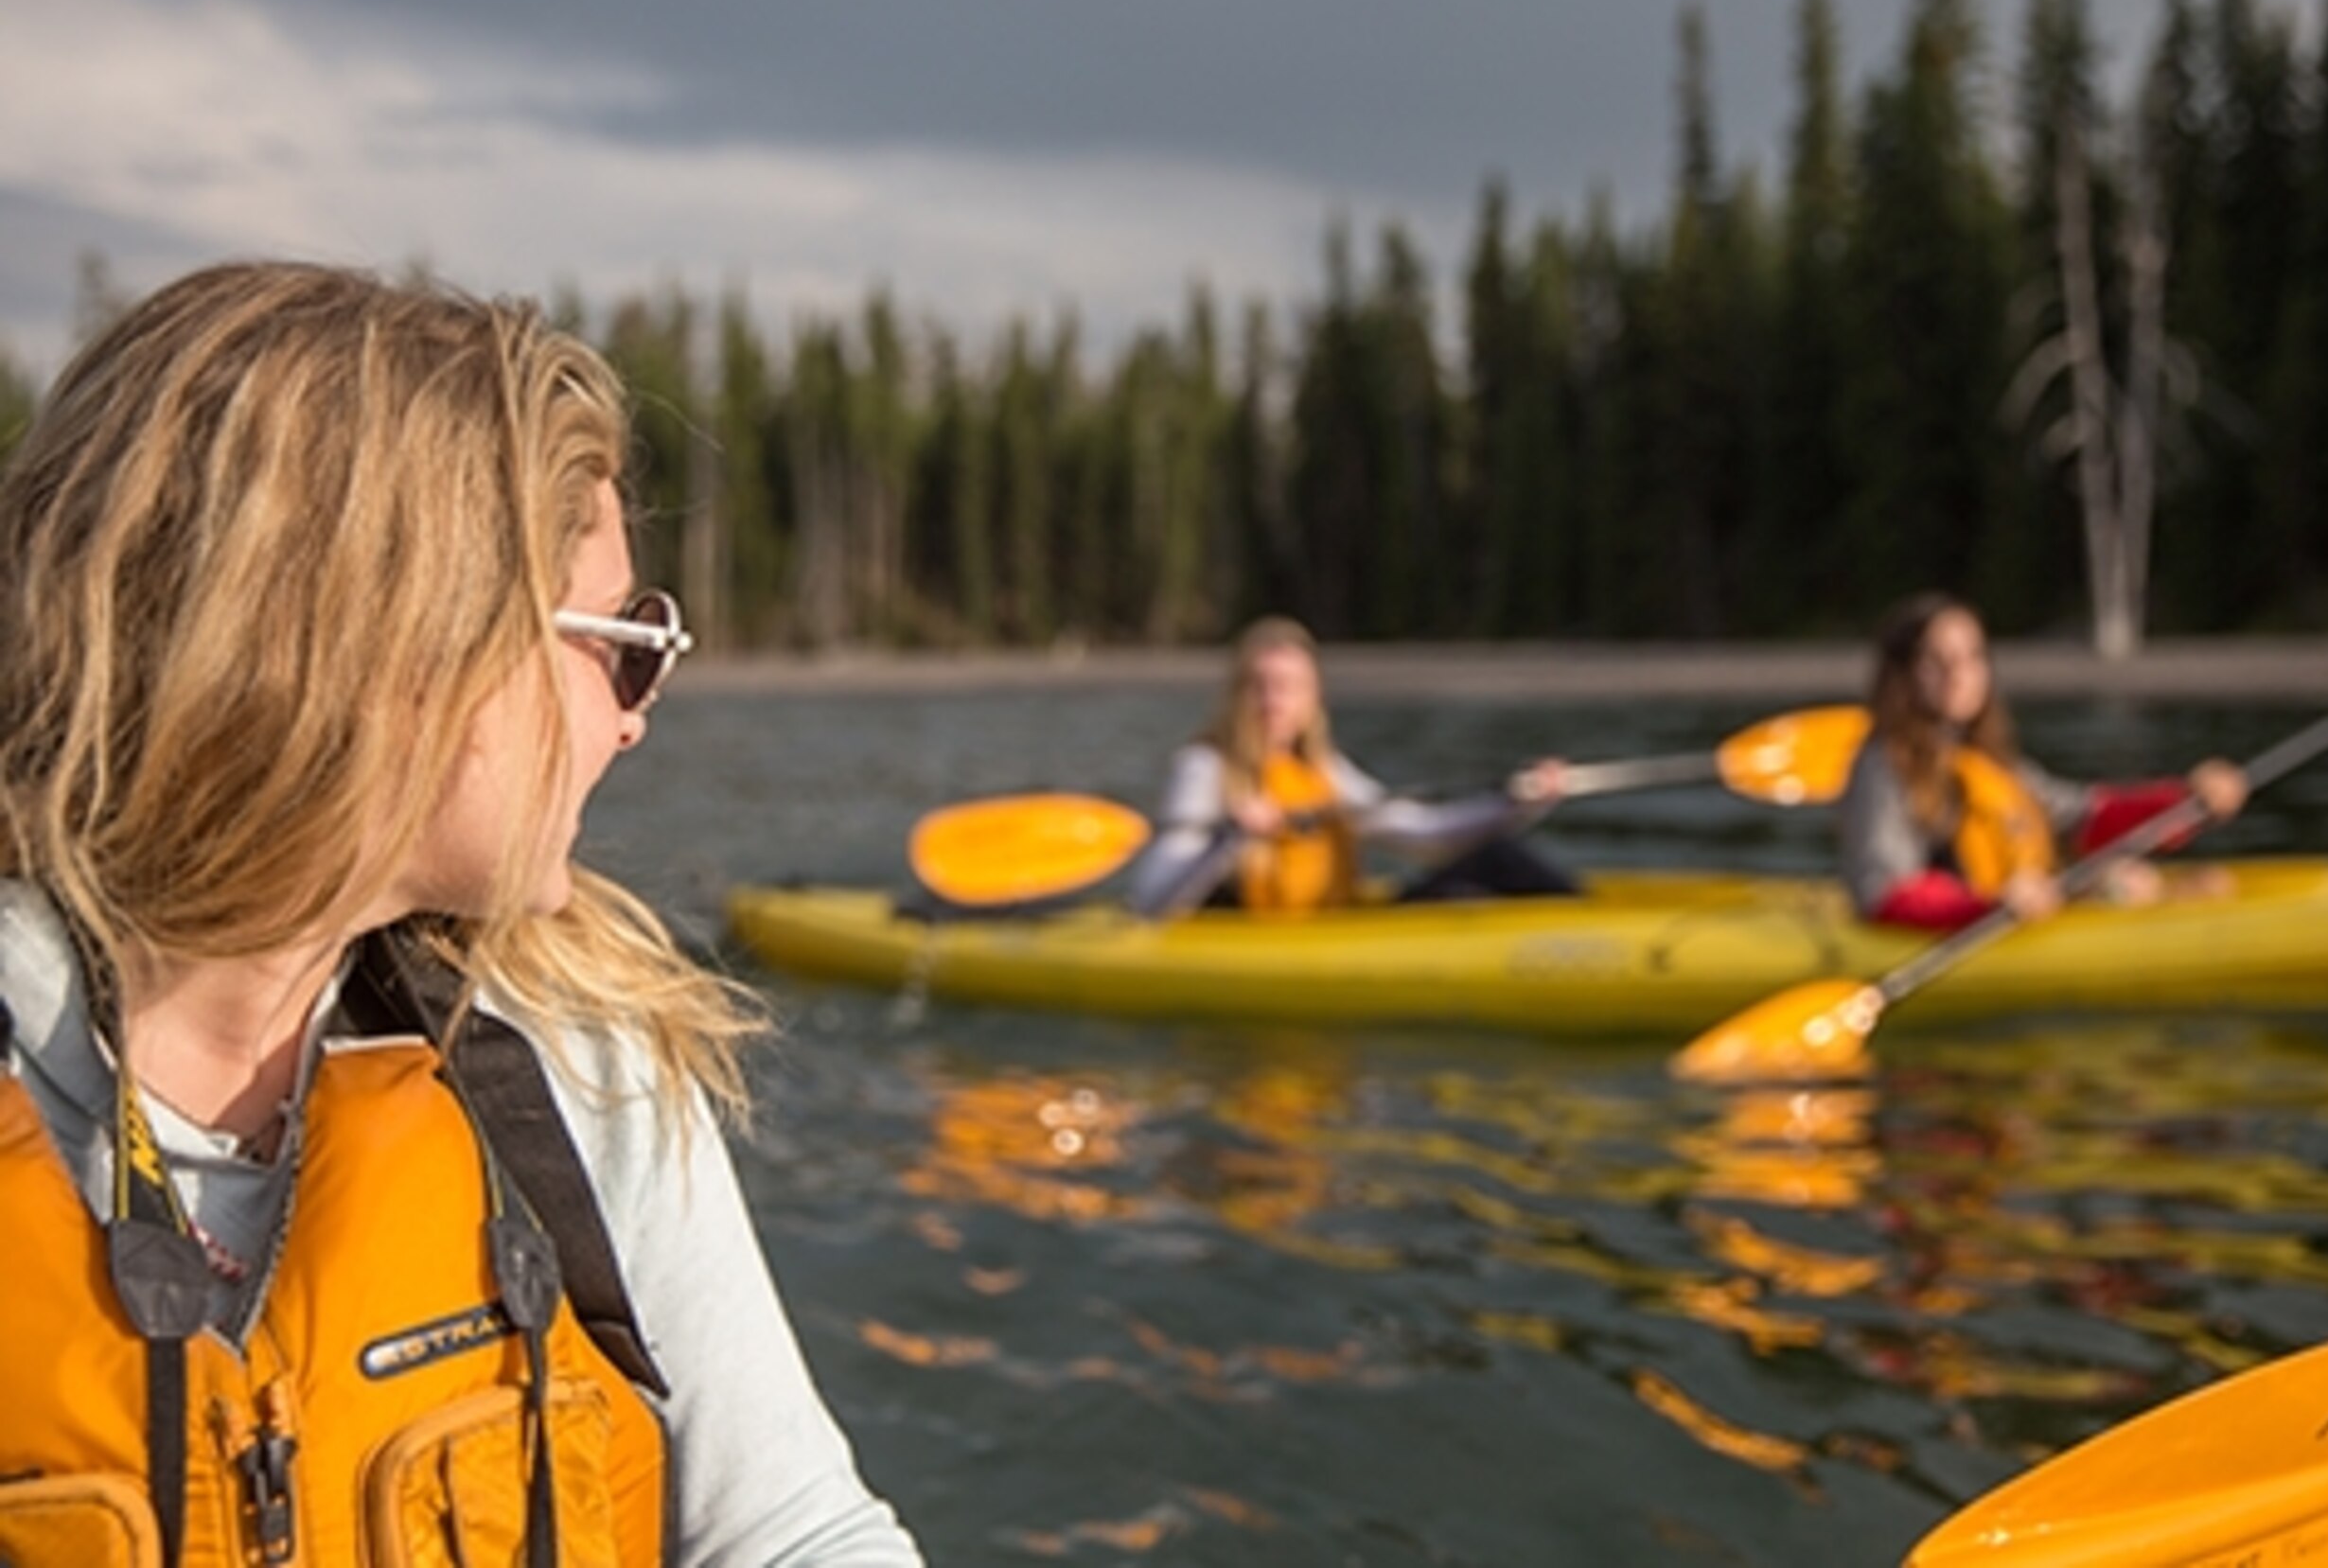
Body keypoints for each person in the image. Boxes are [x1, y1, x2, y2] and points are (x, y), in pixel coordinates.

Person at [0, 263, 921, 1565]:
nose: (637, 709)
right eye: (626, 635)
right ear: (398, 641)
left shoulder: (580, 1055)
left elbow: (789, 1533)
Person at [1840, 592, 2249, 931]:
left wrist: (2188, 802)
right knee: (2129, 886)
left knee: (2158, 881)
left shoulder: (1989, 760)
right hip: (1965, 925)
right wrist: (1988, 907)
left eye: (1971, 657)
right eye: (1936, 661)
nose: (1957, 674)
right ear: (1902, 674)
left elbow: (2084, 820)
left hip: (2017, 911)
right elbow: (1882, 893)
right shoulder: (1882, 765)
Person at [1123, 616, 1579, 918]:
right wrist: (1230, 837)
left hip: (1335, 927)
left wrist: (1516, 803)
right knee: (1462, 898)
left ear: (1312, 698)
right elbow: (1151, 900)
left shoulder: (1324, 769)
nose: (1273, 702)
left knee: (1495, 860)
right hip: (1265, 945)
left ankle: (1602, 938)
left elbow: (1426, 835)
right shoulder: (1205, 767)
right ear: (1235, 695)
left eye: (1289, 687)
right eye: (1259, 687)